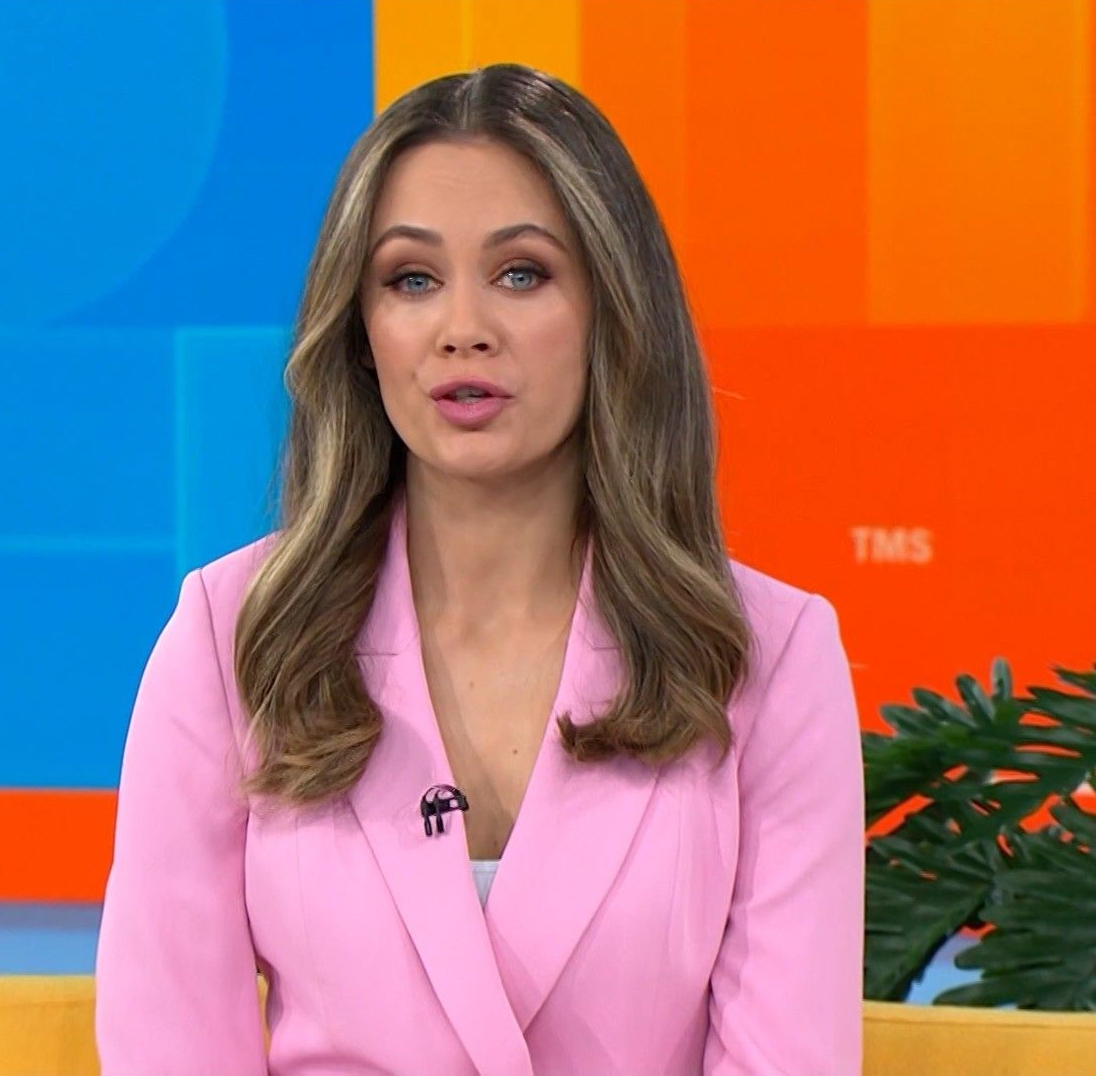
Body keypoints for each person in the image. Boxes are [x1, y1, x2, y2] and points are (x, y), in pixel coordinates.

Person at [94, 63, 864, 1075]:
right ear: (361, 333)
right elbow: (171, 1044)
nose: (464, 330)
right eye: (411, 280)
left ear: (613, 312)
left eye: (522, 274)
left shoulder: (766, 657)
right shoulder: (231, 639)